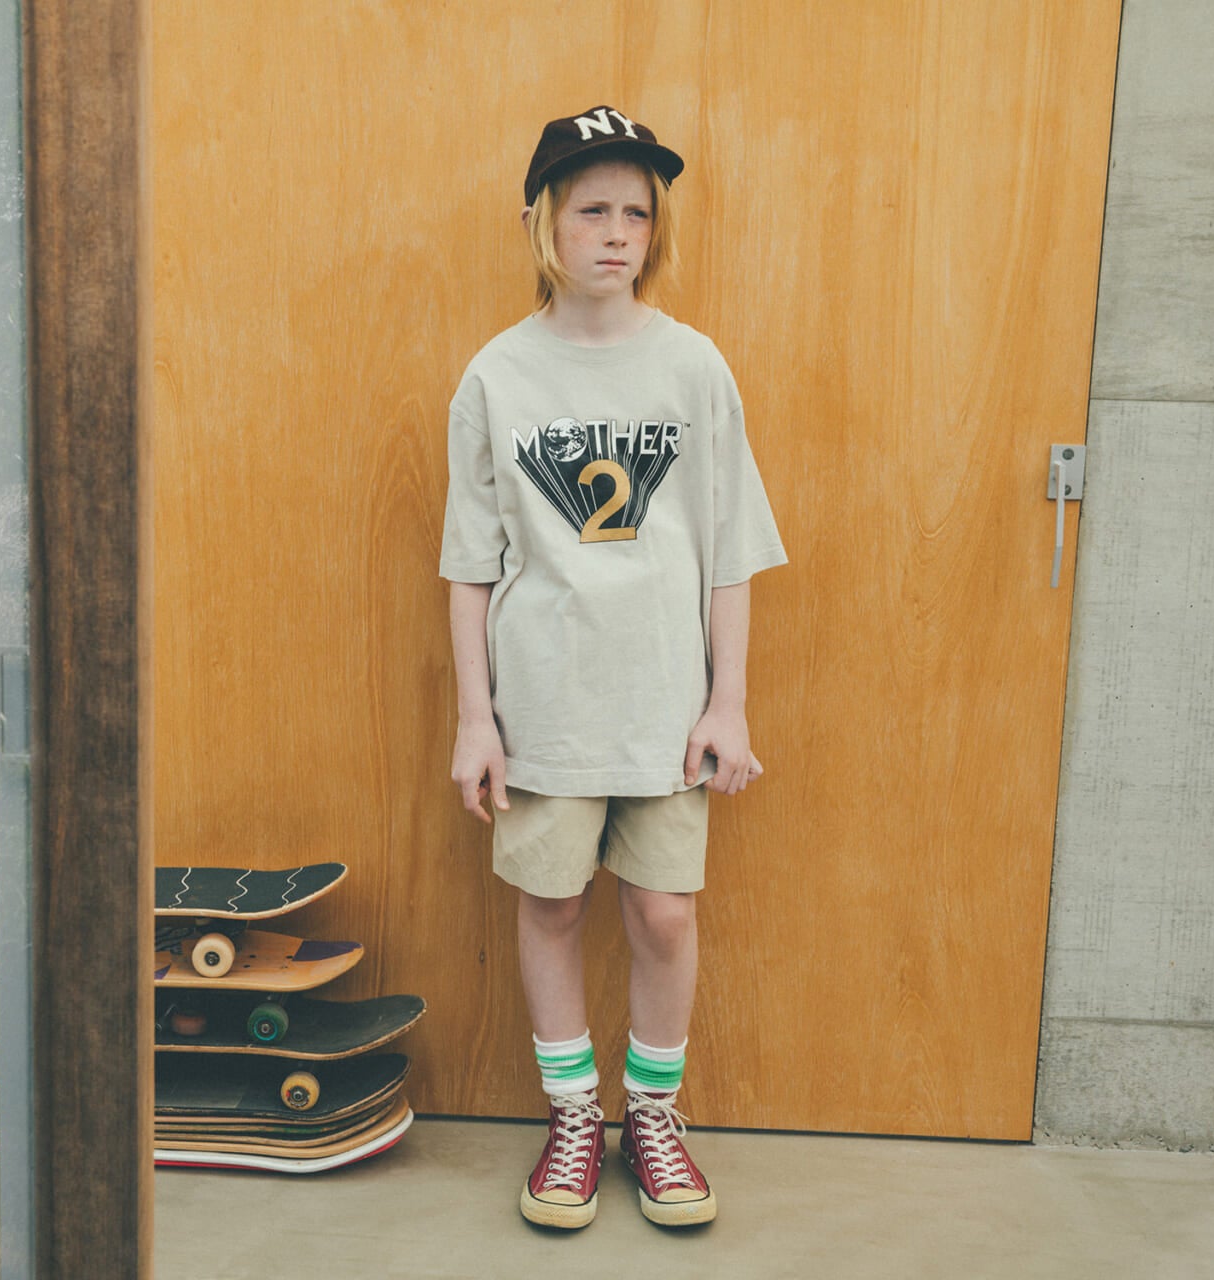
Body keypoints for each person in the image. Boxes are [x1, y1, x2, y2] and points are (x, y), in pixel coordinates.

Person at [440, 104, 786, 1230]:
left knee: (663, 915)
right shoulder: (497, 376)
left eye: (635, 213)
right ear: (544, 222)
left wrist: (728, 704)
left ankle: (653, 1115)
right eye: (592, 210)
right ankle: (573, 1116)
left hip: (663, 707)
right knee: (550, 906)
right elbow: (469, 566)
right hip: (543, 707)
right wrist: (477, 720)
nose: (616, 233)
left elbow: (730, 553)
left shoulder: (691, 368)